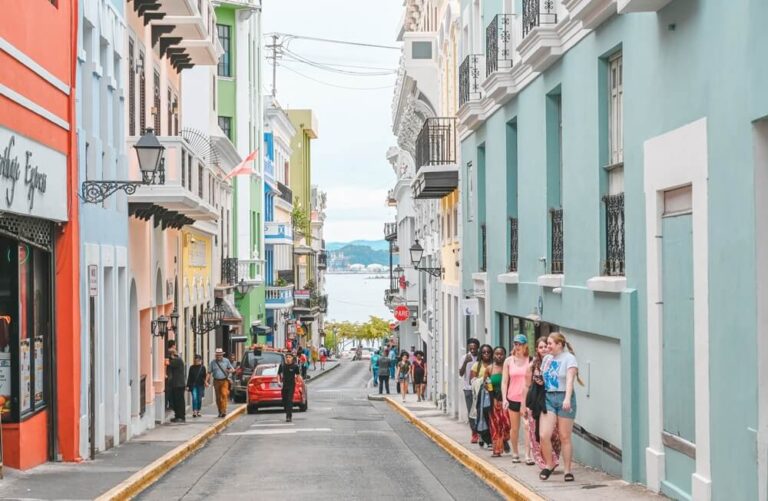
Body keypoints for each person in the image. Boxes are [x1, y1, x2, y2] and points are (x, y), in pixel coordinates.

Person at [539, 332, 583, 482]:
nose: (547, 346)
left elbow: (570, 380)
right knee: (544, 435)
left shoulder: (569, 358)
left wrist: (566, 399)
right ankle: (550, 464)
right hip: (548, 398)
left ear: (559, 344)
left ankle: (567, 470)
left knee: (565, 436)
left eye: (550, 343)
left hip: (565, 397)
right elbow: (543, 378)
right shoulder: (547, 359)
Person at [526, 336, 561, 469]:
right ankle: (545, 462)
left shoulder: (556, 362)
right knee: (537, 434)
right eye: (541, 347)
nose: (544, 349)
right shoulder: (533, 365)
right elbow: (526, 386)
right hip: (536, 403)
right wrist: (524, 407)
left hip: (552, 402)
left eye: (546, 346)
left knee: (555, 434)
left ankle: (553, 458)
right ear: (537, 349)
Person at [502, 334, 533, 464]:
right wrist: (504, 398)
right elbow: (504, 381)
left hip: (527, 399)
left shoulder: (531, 360)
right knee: (514, 428)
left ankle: (527, 454)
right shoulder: (508, 361)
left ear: (525, 345)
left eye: (520, 344)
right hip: (513, 397)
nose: (517, 346)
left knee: (527, 426)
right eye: (515, 344)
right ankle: (515, 452)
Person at [471, 344, 494, 449]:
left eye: (488, 352)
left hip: (492, 394)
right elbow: (472, 380)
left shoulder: (494, 365)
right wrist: (481, 381)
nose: (486, 354)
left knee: (490, 416)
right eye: (484, 352)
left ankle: (490, 439)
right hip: (481, 394)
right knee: (481, 415)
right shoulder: (477, 365)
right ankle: (481, 435)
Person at [460, 338, 480, 443]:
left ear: (478, 348)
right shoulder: (464, 357)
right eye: (470, 348)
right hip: (468, 388)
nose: (472, 350)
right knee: (471, 411)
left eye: (474, 348)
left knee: (480, 410)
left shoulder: (481, 358)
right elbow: (461, 373)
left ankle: (481, 431)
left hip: (479, 388)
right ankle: (474, 432)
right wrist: (465, 362)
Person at [207, 348, 235, 418]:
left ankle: (224, 411)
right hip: (216, 381)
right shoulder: (213, 362)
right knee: (218, 397)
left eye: (220, 355)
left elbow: (232, 369)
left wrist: (229, 371)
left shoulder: (226, 361)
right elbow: (209, 372)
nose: (219, 356)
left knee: (224, 394)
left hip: (224, 380)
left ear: (222, 355)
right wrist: (206, 381)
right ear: (215, 355)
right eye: (217, 355)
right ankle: (220, 411)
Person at [278, 353, 301, 423]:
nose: (288, 358)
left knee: (289, 400)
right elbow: (278, 374)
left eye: (289, 357)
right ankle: (287, 410)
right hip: (284, 385)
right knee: (284, 400)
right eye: (287, 357)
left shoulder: (295, 366)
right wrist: (278, 381)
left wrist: (298, 381)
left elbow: (298, 375)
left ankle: (289, 416)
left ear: (292, 358)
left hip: (291, 385)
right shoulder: (282, 365)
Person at [167, 348, 186, 423]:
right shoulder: (177, 360)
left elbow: (169, 364)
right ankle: (178, 415)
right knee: (176, 401)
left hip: (178, 384)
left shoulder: (177, 360)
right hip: (176, 384)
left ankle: (181, 416)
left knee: (179, 401)